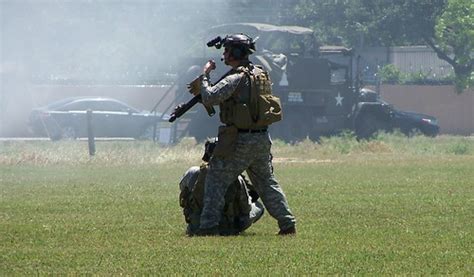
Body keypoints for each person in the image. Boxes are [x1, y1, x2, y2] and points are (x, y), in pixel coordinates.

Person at [192, 33, 296, 236]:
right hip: (261, 138)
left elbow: (210, 97)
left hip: (240, 140)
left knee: (216, 178)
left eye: (227, 50)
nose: (225, 54)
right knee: (266, 182)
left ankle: (208, 226)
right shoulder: (260, 74)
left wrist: (205, 75)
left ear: (235, 52)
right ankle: (287, 223)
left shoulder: (236, 77)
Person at [179, 138, 264, 236]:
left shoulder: (192, 172)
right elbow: (246, 207)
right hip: (226, 227)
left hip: (197, 224)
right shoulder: (236, 177)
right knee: (258, 206)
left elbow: (183, 192)